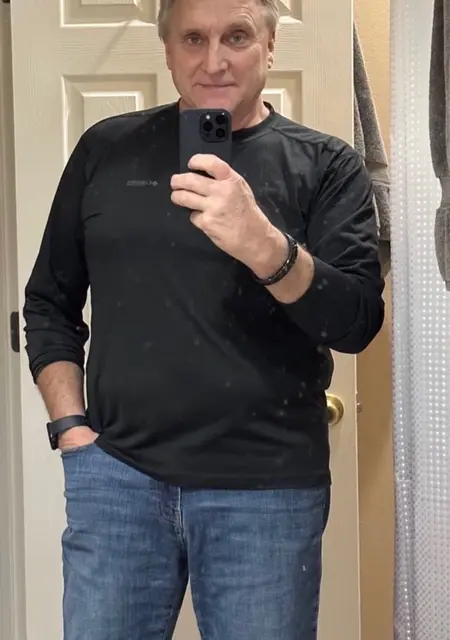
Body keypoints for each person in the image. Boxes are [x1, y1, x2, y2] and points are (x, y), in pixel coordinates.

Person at [23, 0, 385, 638]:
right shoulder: (105, 149)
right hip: (117, 479)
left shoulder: (326, 165)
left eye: (236, 36)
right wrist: (71, 430)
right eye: (193, 38)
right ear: (167, 48)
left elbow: (355, 323)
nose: (214, 61)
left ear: (269, 45)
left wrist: (263, 245)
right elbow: (49, 301)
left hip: (267, 491)